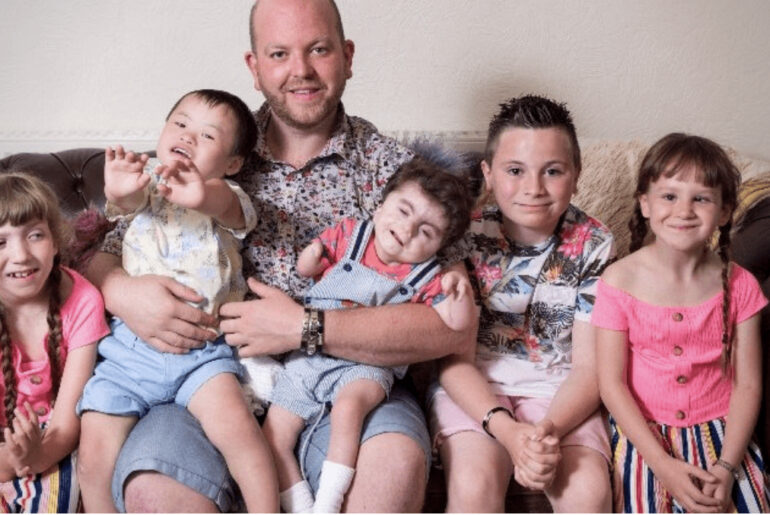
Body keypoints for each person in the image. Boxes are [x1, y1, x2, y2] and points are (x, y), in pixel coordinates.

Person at [84, 0, 474, 511]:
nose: (301, 70)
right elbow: (100, 254)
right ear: (254, 67)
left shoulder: (398, 172)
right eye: (279, 53)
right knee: (154, 489)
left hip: (348, 381)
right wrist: (125, 292)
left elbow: (452, 326)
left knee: (393, 468)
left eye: (319, 49)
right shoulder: (214, 145)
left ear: (347, 57)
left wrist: (306, 327)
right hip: (204, 374)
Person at [76, 89, 279, 512]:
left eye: (208, 135)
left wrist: (201, 193)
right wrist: (120, 187)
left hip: (202, 353)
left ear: (232, 163)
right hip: (130, 350)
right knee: (93, 451)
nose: (188, 136)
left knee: (240, 433)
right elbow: (124, 206)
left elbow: (229, 208)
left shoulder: (228, 195)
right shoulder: (148, 185)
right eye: (181, 124)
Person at [428, 95, 614, 512]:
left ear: (577, 175)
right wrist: (510, 433)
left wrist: (544, 435)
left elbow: (589, 369)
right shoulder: (464, 235)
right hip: (477, 389)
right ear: (488, 175)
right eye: (515, 171)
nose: (534, 188)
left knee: (589, 493)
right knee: (473, 485)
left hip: (560, 394)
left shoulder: (595, 243)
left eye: (553, 171)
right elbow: (455, 362)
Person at [265, 156, 475, 513]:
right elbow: (306, 268)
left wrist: (460, 292)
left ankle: (329, 500)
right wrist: (312, 256)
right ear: (379, 207)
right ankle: (301, 505)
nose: (408, 229)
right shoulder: (350, 235)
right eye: (403, 211)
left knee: (349, 410)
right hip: (309, 358)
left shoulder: (427, 276)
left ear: (439, 248)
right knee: (273, 435)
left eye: (426, 232)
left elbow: (457, 327)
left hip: (367, 366)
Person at [592, 133, 770, 513]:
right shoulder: (617, 282)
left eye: (701, 198)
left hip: (725, 436)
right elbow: (611, 384)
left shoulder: (741, 285)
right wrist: (662, 465)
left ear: (724, 212)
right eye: (670, 196)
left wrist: (726, 467)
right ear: (645, 203)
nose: (684, 210)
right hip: (646, 437)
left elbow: (748, 384)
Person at [0, 173, 108, 512]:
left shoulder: (83, 301)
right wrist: (10, 461)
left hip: (54, 441)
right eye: (0, 242)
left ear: (56, 241)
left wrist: (35, 456)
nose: (21, 255)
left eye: (35, 235)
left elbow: (66, 424)